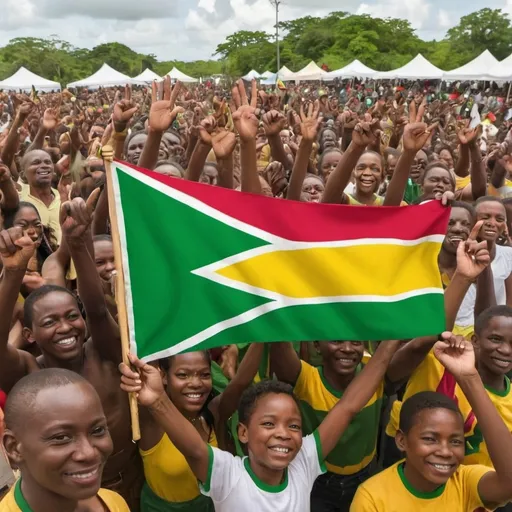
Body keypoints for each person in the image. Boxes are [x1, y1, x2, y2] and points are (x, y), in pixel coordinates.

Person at [119, 341, 401, 512]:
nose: (282, 433)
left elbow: (348, 406)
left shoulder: (304, 462)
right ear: (243, 433)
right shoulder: (226, 474)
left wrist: (388, 346)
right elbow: (193, 449)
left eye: (293, 426)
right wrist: (157, 401)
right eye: (268, 423)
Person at [0, 195, 144, 510]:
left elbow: (96, 309)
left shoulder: (104, 353)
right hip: (59, 494)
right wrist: (12, 274)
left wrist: (79, 245)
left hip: (130, 482)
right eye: (49, 322)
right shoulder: (28, 373)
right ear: (30, 335)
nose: (65, 327)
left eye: (71, 316)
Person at [351, 333, 512, 511]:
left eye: (456, 441)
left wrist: (469, 377)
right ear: (401, 440)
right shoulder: (372, 497)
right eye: (430, 439)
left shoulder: (465, 482)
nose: (445, 451)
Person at [138, 344, 264, 512]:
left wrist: (262, 336)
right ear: (163, 376)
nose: (196, 383)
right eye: (183, 375)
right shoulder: (152, 418)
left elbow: (241, 382)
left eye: (204, 375)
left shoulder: (214, 413)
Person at [270, 339, 385, 511]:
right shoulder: (307, 379)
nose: (347, 349)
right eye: (337, 341)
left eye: (356, 342)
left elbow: (419, 344)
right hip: (319, 482)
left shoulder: (374, 372)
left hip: (367, 477)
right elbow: (279, 345)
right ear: (317, 345)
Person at [1, 368, 129, 511]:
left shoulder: (113, 503)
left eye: (98, 430)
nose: (89, 453)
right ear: (13, 447)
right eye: (61, 437)